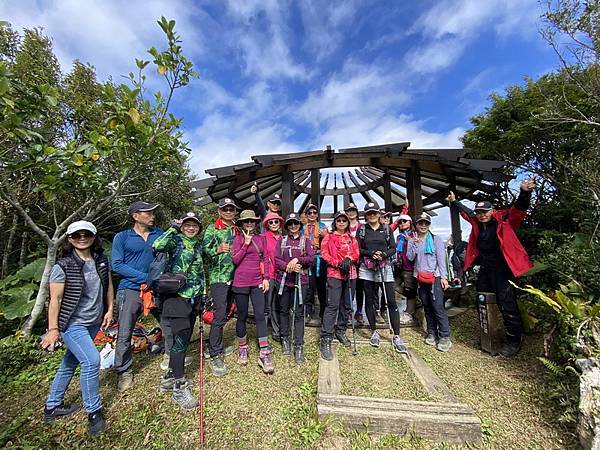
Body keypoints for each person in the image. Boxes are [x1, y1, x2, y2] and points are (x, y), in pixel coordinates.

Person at [447, 177, 536, 357]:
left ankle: (513, 339)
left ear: (492, 210)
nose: (482, 214)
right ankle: (489, 334)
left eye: (485, 211)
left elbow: (518, 210)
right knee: (482, 300)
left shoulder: (503, 219)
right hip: (486, 269)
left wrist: (525, 192)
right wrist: (454, 202)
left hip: (503, 269)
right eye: (479, 212)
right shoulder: (477, 222)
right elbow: (466, 213)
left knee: (507, 303)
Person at [42, 220, 113, 436]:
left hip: (93, 321)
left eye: (87, 234)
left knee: (70, 362)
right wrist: (53, 329)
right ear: (69, 239)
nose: (82, 238)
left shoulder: (101, 260)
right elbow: (55, 299)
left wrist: (110, 310)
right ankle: (94, 411)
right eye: (76, 235)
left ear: (94, 237)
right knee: (91, 361)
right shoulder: (62, 266)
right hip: (72, 323)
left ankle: (52, 406)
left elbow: (108, 285)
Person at [152, 212, 206, 410]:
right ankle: (179, 386)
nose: (191, 228)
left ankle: (169, 377)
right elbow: (157, 246)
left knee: (182, 339)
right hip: (176, 298)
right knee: (180, 340)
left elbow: (200, 273)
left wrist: (203, 295)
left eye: (194, 225)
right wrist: (173, 228)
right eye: (187, 224)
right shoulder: (174, 240)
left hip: (193, 298)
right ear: (182, 226)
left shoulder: (198, 245)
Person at [112, 201, 163, 392]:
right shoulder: (122, 237)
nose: (152, 216)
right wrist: (146, 278)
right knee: (125, 331)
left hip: (157, 288)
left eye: (152, 213)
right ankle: (124, 371)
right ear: (135, 216)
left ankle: (170, 354)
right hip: (131, 288)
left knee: (168, 322)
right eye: (148, 213)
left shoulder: (159, 234)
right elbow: (117, 265)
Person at [356, 202, 407, 353]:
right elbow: (358, 248)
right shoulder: (362, 229)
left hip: (384, 266)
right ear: (365, 215)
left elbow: (392, 247)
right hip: (367, 267)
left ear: (379, 214)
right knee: (370, 300)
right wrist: (370, 254)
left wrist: (383, 255)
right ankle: (373, 331)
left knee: (391, 300)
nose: (372, 215)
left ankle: (396, 335)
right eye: (369, 213)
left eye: (374, 213)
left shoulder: (386, 229)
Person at [231, 210, 274, 374]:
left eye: (252, 221)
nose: (249, 224)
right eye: (246, 221)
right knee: (241, 315)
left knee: (260, 315)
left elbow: (265, 259)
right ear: (241, 223)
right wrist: (246, 243)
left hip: (257, 281)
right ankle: (243, 347)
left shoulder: (261, 239)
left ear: (256, 223)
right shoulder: (237, 239)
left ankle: (264, 352)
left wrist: (266, 278)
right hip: (241, 282)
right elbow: (235, 260)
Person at [203, 197, 239, 376]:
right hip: (219, 278)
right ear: (219, 211)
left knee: (227, 312)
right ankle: (214, 352)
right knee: (219, 314)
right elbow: (203, 251)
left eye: (231, 209)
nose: (229, 212)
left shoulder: (237, 229)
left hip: (236, 277)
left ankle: (215, 345)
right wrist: (216, 250)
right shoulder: (212, 228)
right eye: (225, 209)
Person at [406, 213, 451, 352]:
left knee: (437, 306)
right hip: (420, 277)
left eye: (426, 223)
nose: (423, 226)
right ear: (416, 225)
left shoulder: (436, 239)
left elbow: (441, 259)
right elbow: (410, 257)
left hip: (435, 277)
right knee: (426, 305)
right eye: (421, 223)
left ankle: (445, 336)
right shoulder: (413, 239)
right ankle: (432, 332)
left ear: (429, 225)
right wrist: (413, 245)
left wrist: (443, 277)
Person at [274, 213, 315, 363]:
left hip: (301, 281)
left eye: (295, 223)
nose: (293, 226)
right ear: (287, 226)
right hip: (284, 281)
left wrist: (298, 260)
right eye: (290, 224)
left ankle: (298, 345)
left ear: (300, 225)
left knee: (298, 313)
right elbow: (276, 259)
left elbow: (311, 258)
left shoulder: (306, 241)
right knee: (283, 311)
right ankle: (285, 338)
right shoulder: (282, 240)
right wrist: (288, 266)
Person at [319, 211, 360, 360]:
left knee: (347, 304)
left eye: (344, 220)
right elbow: (324, 253)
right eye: (339, 220)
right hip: (334, 274)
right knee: (332, 305)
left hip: (350, 273)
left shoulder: (351, 238)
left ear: (348, 223)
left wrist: (349, 258)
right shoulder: (328, 237)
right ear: (335, 222)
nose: (341, 223)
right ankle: (326, 338)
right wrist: (337, 263)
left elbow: (356, 253)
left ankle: (341, 330)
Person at [260, 212, 284, 342]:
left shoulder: (283, 238)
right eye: (271, 222)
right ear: (267, 224)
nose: (274, 224)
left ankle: (276, 332)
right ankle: (262, 335)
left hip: (280, 276)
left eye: (276, 221)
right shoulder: (262, 237)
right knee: (266, 306)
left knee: (277, 305)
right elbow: (260, 257)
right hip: (268, 275)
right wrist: (264, 276)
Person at [303, 203, 328, 325]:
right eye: (309, 213)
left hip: (321, 259)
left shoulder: (323, 226)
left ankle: (323, 313)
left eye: (314, 213)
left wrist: (325, 235)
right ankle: (308, 311)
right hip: (308, 260)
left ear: (317, 215)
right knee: (309, 287)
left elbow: (329, 242)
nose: (312, 215)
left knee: (322, 287)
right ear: (306, 215)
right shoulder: (302, 228)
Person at [394, 214, 418, 324]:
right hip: (399, 265)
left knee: (410, 289)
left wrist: (412, 241)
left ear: (410, 223)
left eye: (405, 221)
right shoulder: (399, 236)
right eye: (400, 222)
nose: (402, 223)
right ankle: (414, 300)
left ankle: (409, 312)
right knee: (393, 285)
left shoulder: (414, 235)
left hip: (410, 267)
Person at [345, 202, 365, 326]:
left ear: (357, 212)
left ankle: (359, 311)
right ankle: (348, 312)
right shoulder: (343, 227)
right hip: (348, 263)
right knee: (349, 288)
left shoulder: (362, 226)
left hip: (361, 261)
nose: (351, 213)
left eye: (353, 210)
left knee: (360, 288)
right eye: (349, 211)